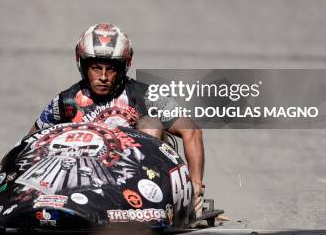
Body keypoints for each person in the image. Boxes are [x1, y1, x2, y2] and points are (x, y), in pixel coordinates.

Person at [29, 23, 206, 222]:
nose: (103, 77)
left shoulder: (147, 95)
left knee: (151, 124)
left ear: (123, 67)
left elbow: (192, 130)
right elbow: (32, 141)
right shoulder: (67, 101)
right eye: (96, 68)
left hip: (140, 183)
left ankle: (155, 200)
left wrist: (195, 185)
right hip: (84, 180)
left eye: (110, 69)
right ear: (83, 66)